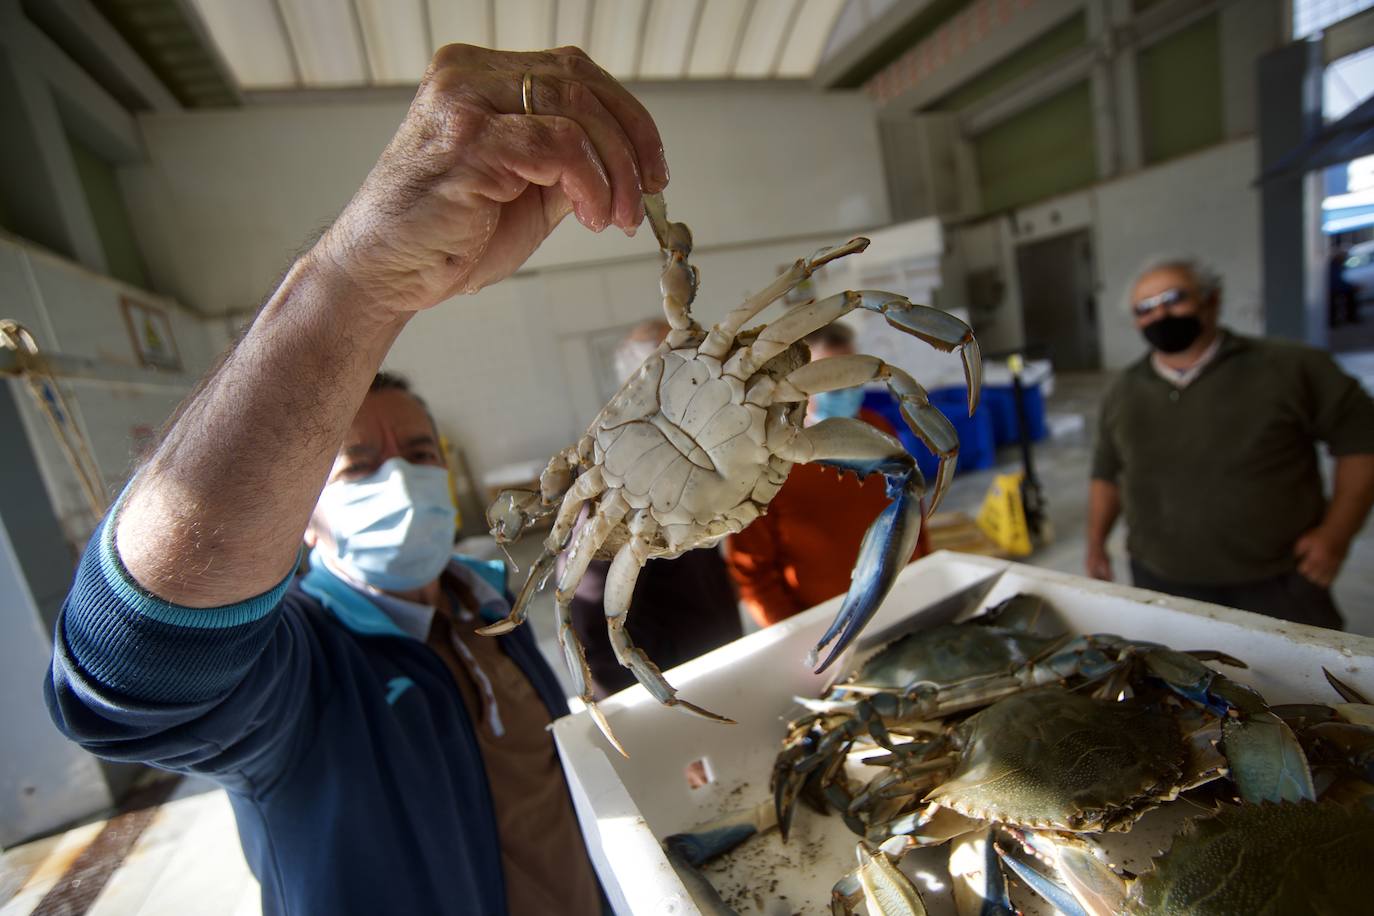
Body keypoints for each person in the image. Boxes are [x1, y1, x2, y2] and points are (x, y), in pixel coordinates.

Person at [45, 44, 669, 916]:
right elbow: (135, 679)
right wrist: (353, 286)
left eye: (418, 456)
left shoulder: (489, 604)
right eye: (359, 465)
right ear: (301, 512)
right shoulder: (298, 672)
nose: (403, 480)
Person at [1086, 255, 1374, 629]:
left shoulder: (1290, 368)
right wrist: (1095, 543)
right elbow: (1107, 472)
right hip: (1160, 578)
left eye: (1174, 299)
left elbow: (1361, 441)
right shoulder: (1122, 392)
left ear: (1212, 299)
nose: (1161, 315)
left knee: (1295, 681)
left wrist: (1336, 533)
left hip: (1277, 580)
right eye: (1145, 309)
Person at [565, 318, 741, 696]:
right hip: (669, 691)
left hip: (722, 662)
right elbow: (590, 625)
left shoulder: (694, 460)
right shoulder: (614, 488)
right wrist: (651, 724)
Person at [725, 323, 931, 626]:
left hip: (900, 603)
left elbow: (912, 513)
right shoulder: (764, 462)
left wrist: (926, 581)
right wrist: (801, 638)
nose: (846, 391)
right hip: (825, 624)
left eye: (854, 379)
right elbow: (753, 573)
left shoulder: (878, 431)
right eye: (832, 383)